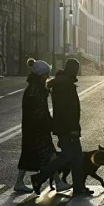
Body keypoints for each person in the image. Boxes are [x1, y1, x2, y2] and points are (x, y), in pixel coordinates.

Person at [31, 58, 93, 196]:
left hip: (65, 126)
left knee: (76, 158)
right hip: (68, 127)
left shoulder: (62, 82)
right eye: (76, 69)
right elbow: (67, 110)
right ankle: (39, 178)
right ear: (72, 69)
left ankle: (79, 187)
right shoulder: (65, 85)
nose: (77, 71)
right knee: (67, 157)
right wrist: (73, 129)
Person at [14, 60, 72, 193]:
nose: (47, 76)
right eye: (46, 74)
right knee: (44, 154)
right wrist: (49, 124)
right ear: (40, 75)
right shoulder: (35, 90)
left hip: (34, 128)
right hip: (37, 129)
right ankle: (56, 183)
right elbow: (38, 111)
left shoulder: (36, 87)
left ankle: (56, 182)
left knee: (38, 154)